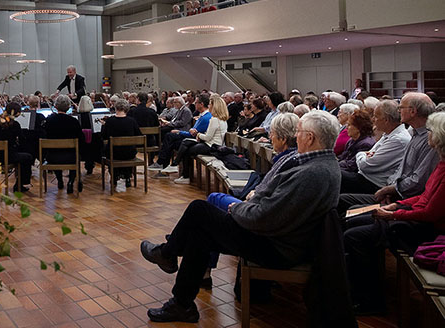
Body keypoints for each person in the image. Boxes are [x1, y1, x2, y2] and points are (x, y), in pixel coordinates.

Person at [140, 111, 341, 323]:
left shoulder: (313, 173)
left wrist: (236, 209)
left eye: (299, 132)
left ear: (310, 138)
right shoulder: (321, 164)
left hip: (277, 247)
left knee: (199, 210)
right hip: (279, 237)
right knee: (201, 234)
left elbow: (264, 217)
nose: (295, 136)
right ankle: (181, 303)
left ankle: (168, 254)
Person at [344, 111, 445, 314]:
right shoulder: (441, 163)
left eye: (431, 132)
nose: (428, 135)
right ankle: (356, 290)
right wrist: (396, 206)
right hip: (413, 216)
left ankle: (371, 301)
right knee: (351, 220)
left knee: (354, 236)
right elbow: (424, 197)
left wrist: (394, 214)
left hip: (426, 229)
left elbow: (430, 213)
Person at [204, 113, 299, 287]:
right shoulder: (290, 158)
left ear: (283, 139)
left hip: (259, 218)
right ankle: (200, 268)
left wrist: (253, 196)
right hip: (259, 211)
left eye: (273, 134)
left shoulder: (288, 161)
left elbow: (270, 201)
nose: (270, 137)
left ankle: (200, 267)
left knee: (212, 202)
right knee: (208, 213)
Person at [339, 93, 438, 212]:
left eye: (401, 107)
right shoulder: (414, 134)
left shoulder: (427, 140)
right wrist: (391, 188)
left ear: (412, 111)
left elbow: (417, 181)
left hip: (403, 197)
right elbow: (400, 171)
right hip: (393, 189)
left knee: (344, 200)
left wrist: (391, 190)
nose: (399, 111)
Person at [172, 95, 228, 185]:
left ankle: (183, 173)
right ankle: (179, 167)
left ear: (214, 106)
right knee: (186, 142)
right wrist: (198, 135)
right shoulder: (222, 119)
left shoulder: (214, 120)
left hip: (211, 147)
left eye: (210, 104)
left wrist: (197, 134)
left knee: (186, 149)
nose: (208, 106)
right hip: (214, 145)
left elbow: (207, 138)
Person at [152, 94, 210, 175]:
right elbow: (193, 131)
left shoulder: (204, 117)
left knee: (169, 137)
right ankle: (165, 166)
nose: (194, 104)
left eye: (196, 102)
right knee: (170, 140)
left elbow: (193, 133)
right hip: (190, 137)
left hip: (195, 140)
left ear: (201, 104)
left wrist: (179, 132)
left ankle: (166, 164)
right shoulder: (201, 116)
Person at [0, 102, 34, 193]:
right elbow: (22, 140)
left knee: (22, 156)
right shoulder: (15, 125)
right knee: (27, 157)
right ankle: (20, 184)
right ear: (17, 113)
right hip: (8, 156)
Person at [44, 95, 84, 194]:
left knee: (56, 152)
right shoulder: (74, 121)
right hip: (70, 157)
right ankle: (70, 182)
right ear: (68, 107)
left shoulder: (49, 121)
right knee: (76, 156)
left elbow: (44, 137)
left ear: (56, 106)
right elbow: (81, 139)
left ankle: (60, 180)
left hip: (52, 157)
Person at [101, 99, 142, 188]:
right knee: (126, 151)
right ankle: (127, 176)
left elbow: (104, 137)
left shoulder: (110, 121)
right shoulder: (132, 121)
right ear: (127, 109)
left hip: (113, 154)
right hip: (129, 153)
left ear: (116, 108)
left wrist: (103, 126)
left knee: (109, 150)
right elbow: (139, 136)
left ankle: (115, 175)